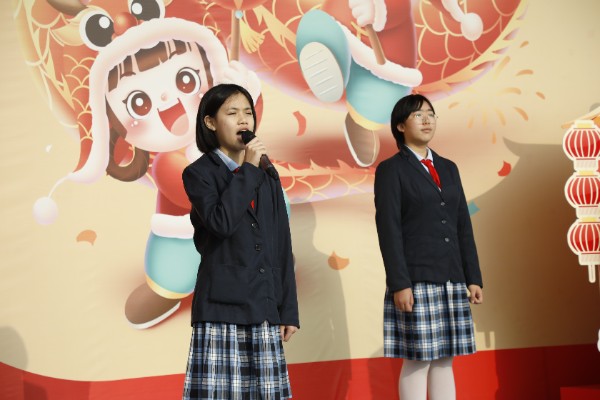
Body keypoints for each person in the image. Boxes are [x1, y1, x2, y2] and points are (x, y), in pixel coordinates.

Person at [181, 83, 299, 399]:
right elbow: (221, 222)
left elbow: (281, 244)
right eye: (232, 113)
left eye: (248, 112)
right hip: (221, 309)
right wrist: (248, 168)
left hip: (263, 307)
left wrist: (288, 309)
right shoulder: (199, 174)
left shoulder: (266, 175)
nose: (244, 120)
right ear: (210, 122)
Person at [374, 94, 483, 400]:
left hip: (451, 277)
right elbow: (389, 230)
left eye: (431, 114)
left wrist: (472, 277)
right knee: (418, 359)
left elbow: (462, 226)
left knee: (445, 359)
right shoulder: (391, 170)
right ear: (400, 126)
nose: (427, 120)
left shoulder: (449, 168)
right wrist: (400, 283)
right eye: (418, 115)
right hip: (416, 279)